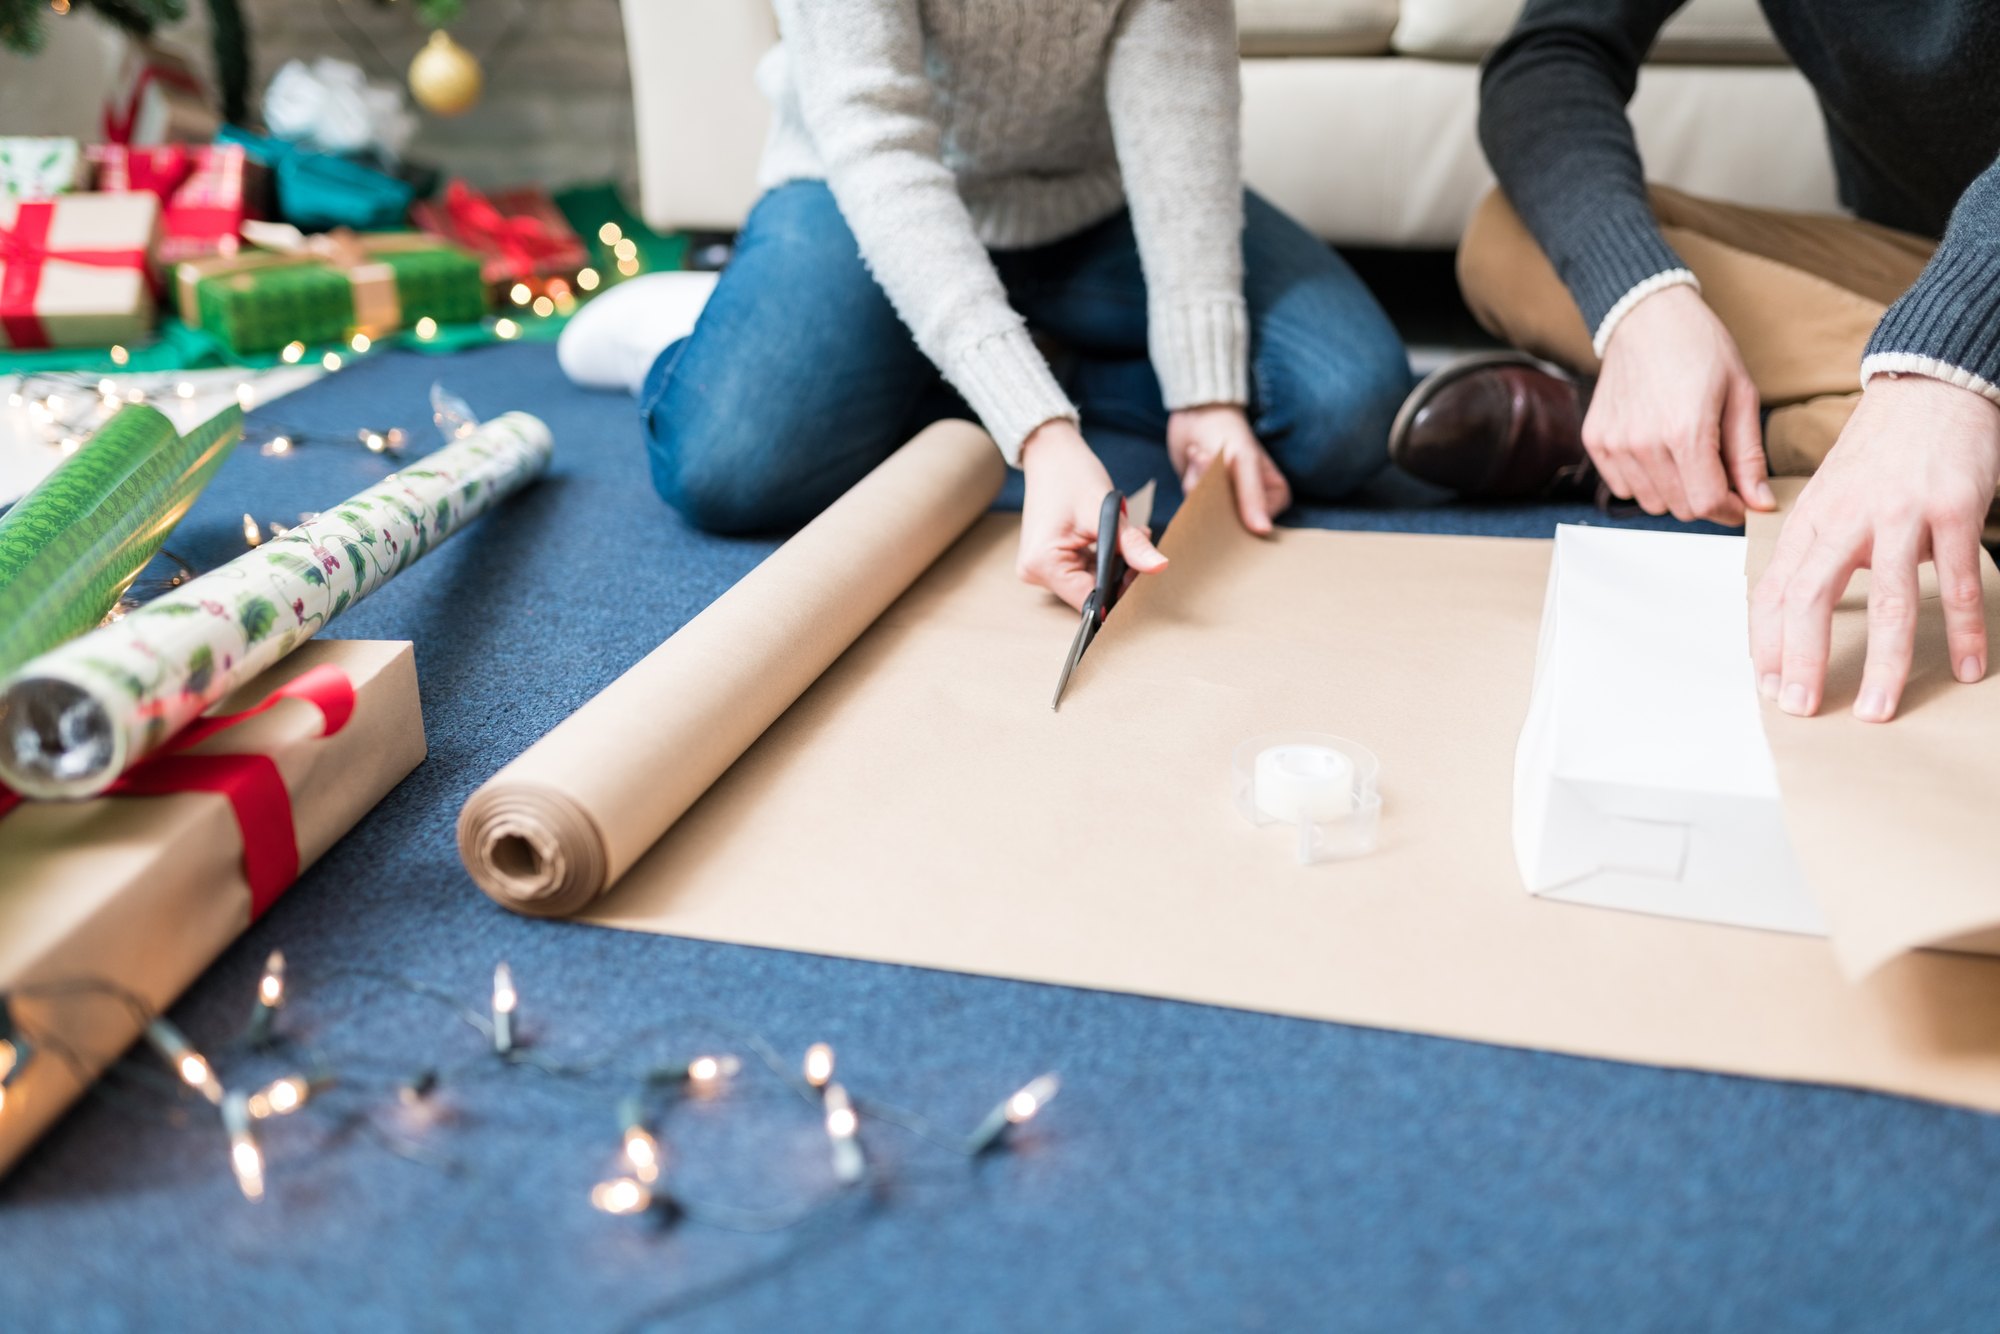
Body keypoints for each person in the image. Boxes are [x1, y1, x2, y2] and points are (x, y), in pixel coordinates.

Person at [560, 0, 1411, 611]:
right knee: (731, 463)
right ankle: (693, 329)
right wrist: (1039, 429)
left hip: (1093, 197)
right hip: (861, 188)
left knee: (1347, 410)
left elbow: (1179, 95)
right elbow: (877, 133)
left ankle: (985, 363)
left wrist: (1207, 389)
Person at [1388, 1, 2000, 725]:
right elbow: (1551, 52)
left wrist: (1942, 369)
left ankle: (1729, 433)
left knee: (1953, 397)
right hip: (1907, 257)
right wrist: (1643, 304)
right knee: (1510, 238)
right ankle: (1847, 420)